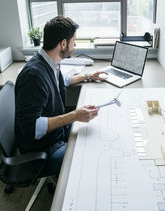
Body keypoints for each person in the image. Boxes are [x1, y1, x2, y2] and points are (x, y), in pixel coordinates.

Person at [15, 16, 107, 176]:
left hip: (56, 134)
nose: (75, 45)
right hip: (41, 149)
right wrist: (74, 115)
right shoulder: (33, 76)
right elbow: (32, 128)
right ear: (63, 44)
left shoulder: (50, 61)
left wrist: (88, 76)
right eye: (74, 41)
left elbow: (61, 81)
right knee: (87, 155)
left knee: (93, 131)